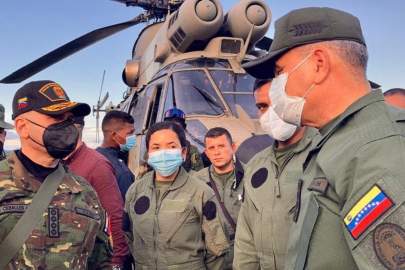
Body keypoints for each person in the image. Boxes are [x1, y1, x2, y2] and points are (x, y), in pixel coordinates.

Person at [243, 7, 405, 269]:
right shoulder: (339, 141)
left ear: (319, 64)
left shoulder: (379, 148)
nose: (274, 89)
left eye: (279, 72)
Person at [0, 80, 110, 269]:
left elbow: (100, 260)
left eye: (69, 119)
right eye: (56, 117)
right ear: (22, 127)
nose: (68, 126)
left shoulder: (86, 193)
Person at [233, 79, 318, 270]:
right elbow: (246, 237)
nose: (271, 113)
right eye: (263, 106)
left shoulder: (326, 152)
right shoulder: (255, 164)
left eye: (278, 102)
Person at [123, 121, 229, 269]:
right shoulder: (135, 191)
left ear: (184, 152)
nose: (164, 152)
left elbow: (217, 251)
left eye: (172, 146)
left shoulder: (201, 192)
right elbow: (128, 235)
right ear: (148, 154)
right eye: (156, 147)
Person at [64, 115, 129, 269]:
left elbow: (114, 216)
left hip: (93, 258)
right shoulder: (60, 163)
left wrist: (116, 263)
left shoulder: (96, 165)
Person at [193, 127, 244, 270]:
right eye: (211, 148)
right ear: (206, 153)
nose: (216, 152)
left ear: (233, 147)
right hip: (213, 259)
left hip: (244, 255)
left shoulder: (250, 176)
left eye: (221, 146)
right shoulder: (196, 182)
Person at [97, 110, 135, 201]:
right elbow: (127, 208)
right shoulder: (120, 170)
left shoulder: (93, 156)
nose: (133, 137)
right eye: (130, 133)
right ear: (114, 135)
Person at [164, 107, 204, 171]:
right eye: (170, 127)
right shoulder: (155, 148)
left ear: (183, 129)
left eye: (177, 127)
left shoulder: (192, 150)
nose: (174, 131)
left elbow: (199, 174)